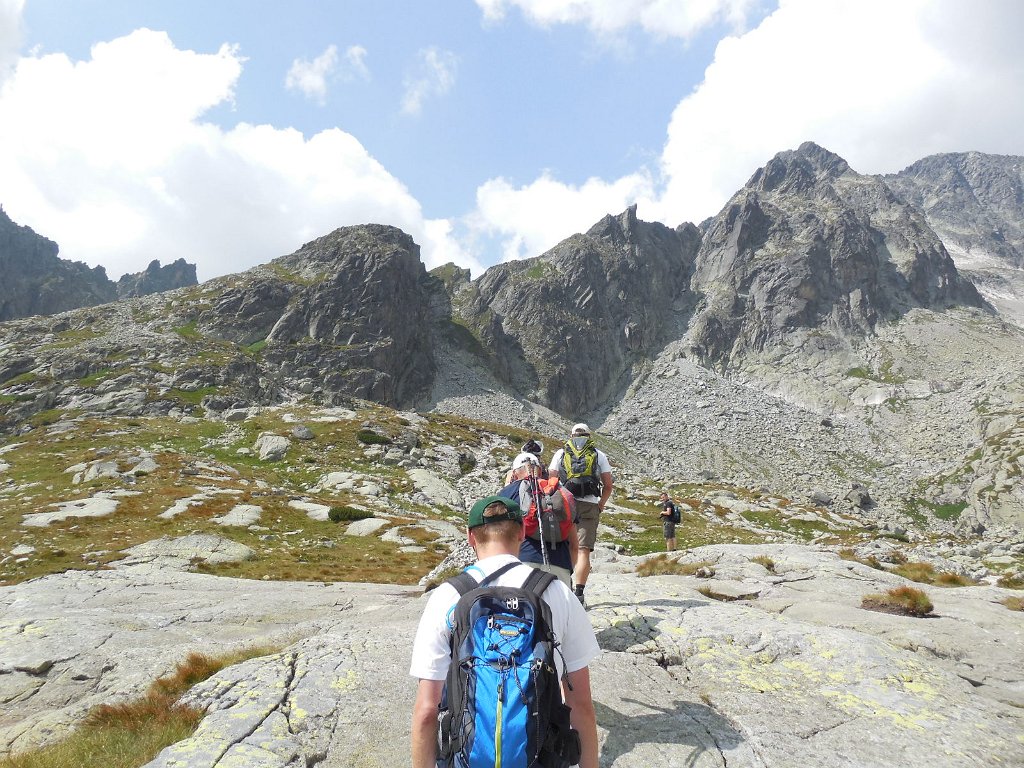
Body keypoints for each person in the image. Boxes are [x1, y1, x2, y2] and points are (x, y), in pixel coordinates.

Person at [410, 495, 600, 768]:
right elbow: (580, 705)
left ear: (471, 537)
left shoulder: (448, 596)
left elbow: (427, 710)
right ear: (522, 532)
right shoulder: (557, 592)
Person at [549, 424, 612, 607]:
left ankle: (563, 588)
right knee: (583, 550)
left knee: (564, 545)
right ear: (589, 436)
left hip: (565, 502)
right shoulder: (598, 454)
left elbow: (552, 479)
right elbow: (608, 486)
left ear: (571, 435)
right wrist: (600, 504)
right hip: (590, 505)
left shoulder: (561, 453)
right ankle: (579, 594)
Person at [499, 451, 579, 587]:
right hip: (560, 566)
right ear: (540, 471)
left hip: (523, 563)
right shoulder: (562, 493)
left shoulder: (509, 493)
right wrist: (568, 570)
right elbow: (574, 545)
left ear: (514, 473)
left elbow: (500, 537)